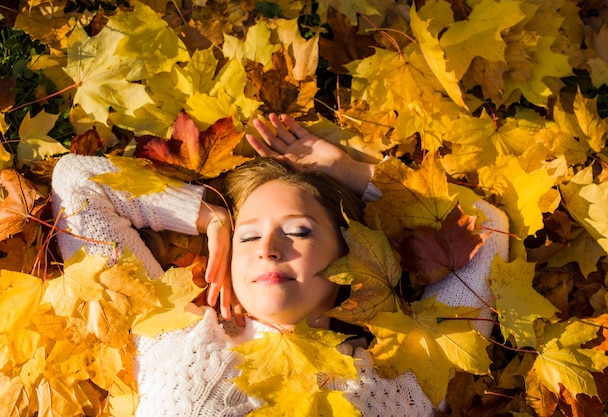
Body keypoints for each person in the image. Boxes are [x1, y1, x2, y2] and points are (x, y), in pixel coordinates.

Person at [51, 114, 508, 416]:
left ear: (351, 254)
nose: (268, 247)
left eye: (299, 231)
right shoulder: (172, 340)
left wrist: (351, 173)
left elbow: (488, 230)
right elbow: (79, 181)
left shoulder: (404, 376)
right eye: (248, 236)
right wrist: (209, 217)